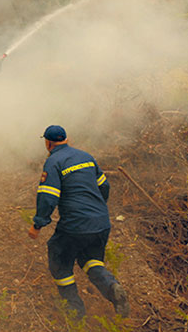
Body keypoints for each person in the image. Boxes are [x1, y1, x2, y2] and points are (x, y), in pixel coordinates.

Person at [27, 124, 129, 318]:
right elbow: (104, 186)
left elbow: (48, 197)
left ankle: (74, 310)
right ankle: (112, 287)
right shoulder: (86, 157)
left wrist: (37, 225)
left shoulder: (53, 162)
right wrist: (96, 210)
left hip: (75, 225)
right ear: (67, 138)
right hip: (101, 223)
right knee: (91, 261)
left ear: (48, 143)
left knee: (59, 259)